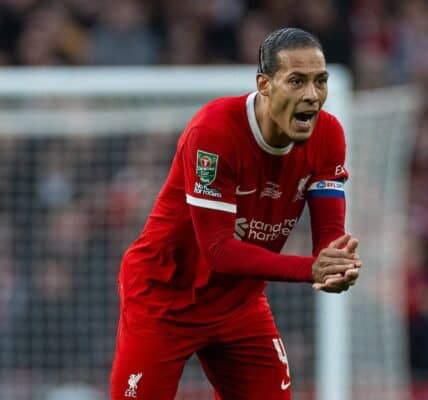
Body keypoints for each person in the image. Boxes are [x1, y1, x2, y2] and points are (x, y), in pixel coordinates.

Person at [110, 27, 362, 400]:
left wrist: (335, 262)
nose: (312, 95)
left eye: (319, 81)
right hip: (164, 298)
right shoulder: (214, 131)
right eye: (297, 81)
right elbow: (219, 251)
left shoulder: (328, 135)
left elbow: (328, 234)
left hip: (239, 305)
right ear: (264, 85)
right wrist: (311, 268)